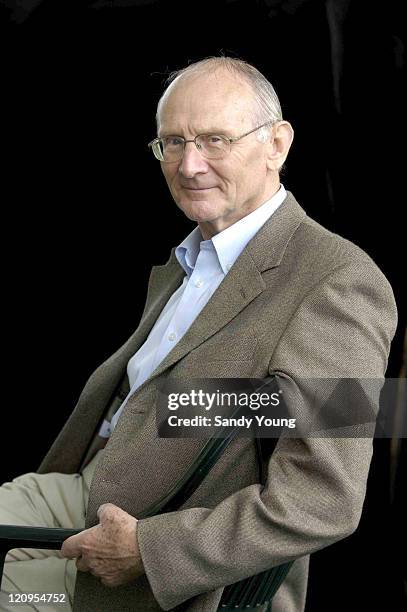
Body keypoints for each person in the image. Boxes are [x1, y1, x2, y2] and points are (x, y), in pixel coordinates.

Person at [0, 57, 398, 612]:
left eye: (215, 140)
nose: (189, 166)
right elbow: (208, 406)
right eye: (172, 142)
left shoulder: (339, 282)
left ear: (277, 145)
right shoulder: (190, 260)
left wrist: (150, 550)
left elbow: (323, 499)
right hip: (88, 486)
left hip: (165, 554)